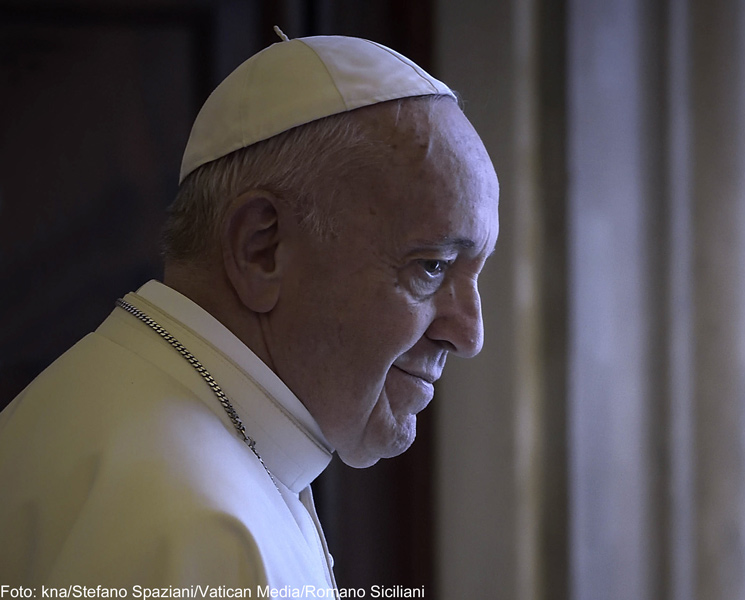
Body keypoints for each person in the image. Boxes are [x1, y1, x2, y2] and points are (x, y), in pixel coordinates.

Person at [0, 30, 499, 592]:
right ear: (260, 249)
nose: (470, 333)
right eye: (431, 266)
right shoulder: (201, 526)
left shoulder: (113, 401)